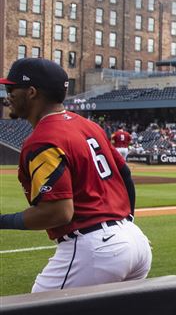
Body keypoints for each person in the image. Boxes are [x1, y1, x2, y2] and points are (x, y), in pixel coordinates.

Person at [0, 59, 151, 291]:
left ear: (31, 93)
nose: (7, 95)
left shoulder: (42, 139)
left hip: (94, 249)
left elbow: (59, 213)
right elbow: (125, 174)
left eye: (11, 89)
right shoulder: (88, 125)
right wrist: (126, 221)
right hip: (135, 240)